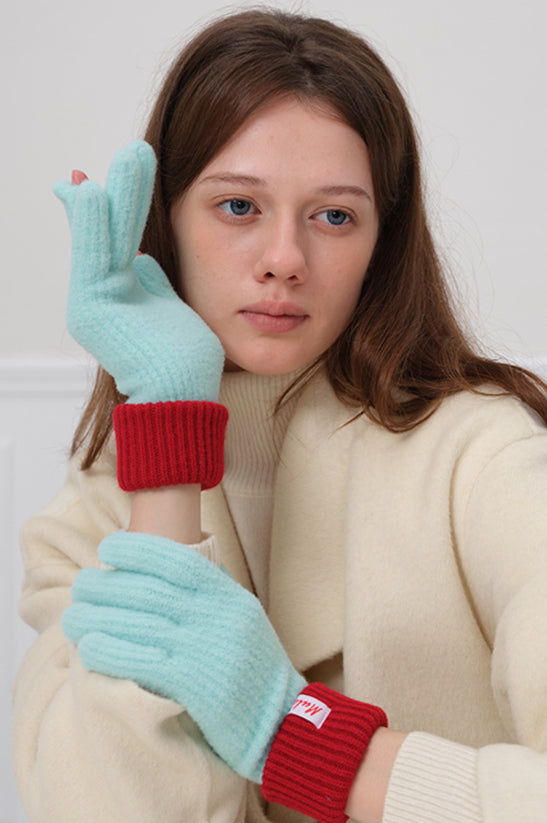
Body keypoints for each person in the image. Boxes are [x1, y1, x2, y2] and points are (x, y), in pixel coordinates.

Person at [12, 8, 547, 823]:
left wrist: (297, 736)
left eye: (334, 216)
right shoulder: (89, 518)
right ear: (167, 221)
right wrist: (166, 432)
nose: (285, 260)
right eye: (237, 206)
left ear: (380, 243)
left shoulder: (487, 460)